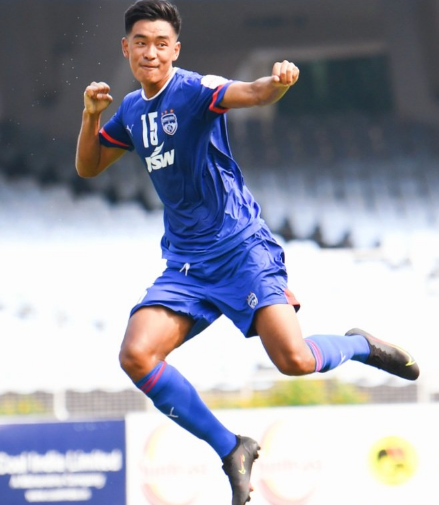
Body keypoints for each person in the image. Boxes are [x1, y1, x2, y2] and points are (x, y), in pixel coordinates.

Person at [74, 2, 419, 504]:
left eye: (161, 44)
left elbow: (253, 93)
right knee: (136, 355)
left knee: (294, 360)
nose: (151, 52)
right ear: (126, 48)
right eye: (141, 43)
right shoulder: (130, 110)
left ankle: (361, 346)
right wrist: (91, 115)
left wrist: (277, 83)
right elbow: (88, 167)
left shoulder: (195, 90)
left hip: (241, 249)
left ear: (175, 50)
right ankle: (232, 447)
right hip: (187, 265)